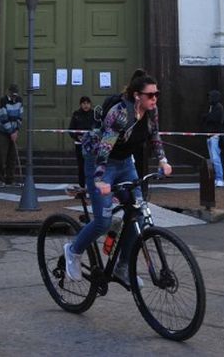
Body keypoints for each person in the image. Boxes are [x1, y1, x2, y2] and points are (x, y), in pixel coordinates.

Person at [64, 74, 171, 287]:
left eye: (156, 94)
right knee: (102, 222)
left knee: (138, 215)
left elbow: (155, 135)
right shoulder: (120, 114)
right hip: (99, 161)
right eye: (150, 95)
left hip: (125, 163)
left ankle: (123, 267)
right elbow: (105, 147)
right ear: (137, 95)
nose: (155, 99)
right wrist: (99, 179)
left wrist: (163, 160)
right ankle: (73, 251)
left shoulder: (151, 111)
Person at [0, 84, 24, 186]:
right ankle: (0, 178)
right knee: (2, 155)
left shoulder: (19, 100)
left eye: (15, 95)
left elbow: (20, 116)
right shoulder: (3, 100)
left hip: (14, 131)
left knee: (12, 156)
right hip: (4, 131)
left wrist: (16, 130)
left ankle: (10, 178)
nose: (14, 97)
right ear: (9, 93)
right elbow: (3, 117)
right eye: (12, 95)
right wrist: (11, 131)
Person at [71, 96, 99, 185]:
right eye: (83, 103)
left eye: (87, 103)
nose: (86, 105)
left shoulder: (95, 114)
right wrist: (77, 137)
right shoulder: (76, 114)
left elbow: (99, 128)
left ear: (90, 104)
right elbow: (71, 129)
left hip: (93, 145)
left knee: (93, 166)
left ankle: (93, 187)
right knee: (81, 167)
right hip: (80, 144)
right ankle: (82, 188)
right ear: (80, 105)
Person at [201, 90, 224, 185]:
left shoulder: (218, 107)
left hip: (215, 135)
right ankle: (216, 177)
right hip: (209, 135)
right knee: (212, 159)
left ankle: (220, 178)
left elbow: (214, 118)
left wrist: (206, 117)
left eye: (211, 97)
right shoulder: (210, 107)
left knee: (216, 158)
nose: (209, 99)